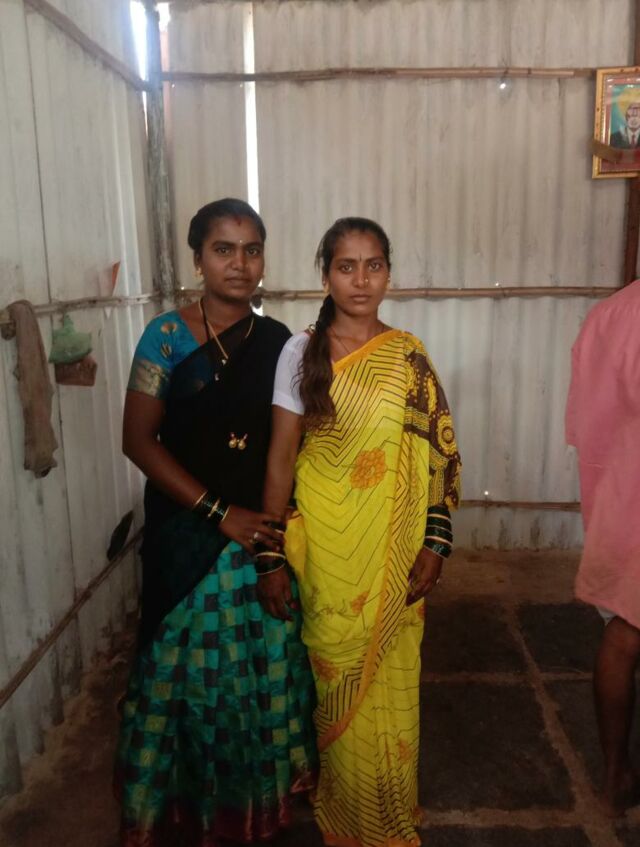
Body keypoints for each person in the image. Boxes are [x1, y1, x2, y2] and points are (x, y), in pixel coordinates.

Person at [115, 198, 317, 846]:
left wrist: (271, 540)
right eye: (223, 249)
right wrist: (217, 512)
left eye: (252, 249)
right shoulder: (165, 338)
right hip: (186, 535)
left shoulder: (280, 343)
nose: (240, 263)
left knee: (258, 673)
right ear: (197, 258)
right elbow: (138, 441)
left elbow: (288, 447)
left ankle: (252, 805)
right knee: (184, 679)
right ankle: (180, 808)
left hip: (259, 534)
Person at [256, 217, 461, 847]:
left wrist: (435, 543)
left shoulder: (408, 356)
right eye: (347, 266)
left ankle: (390, 810)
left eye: (374, 265)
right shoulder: (300, 353)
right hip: (329, 558)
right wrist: (269, 558)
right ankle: (350, 819)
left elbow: (439, 456)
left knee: (392, 688)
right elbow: (280, 460)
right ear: (326, 275)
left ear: (389, 274)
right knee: (338, 686)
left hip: (394, 555)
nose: (361, 280)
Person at [566, 280, 640, 817]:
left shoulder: (608, 314)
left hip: (618, 491)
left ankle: (615, 776)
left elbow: (581, 424)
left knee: (623, 628)